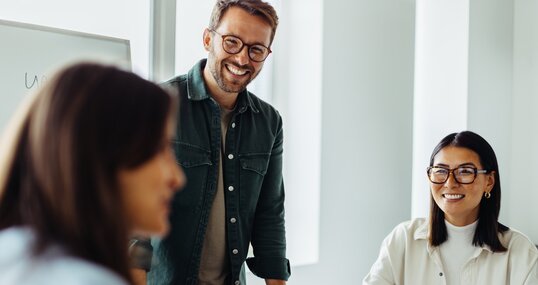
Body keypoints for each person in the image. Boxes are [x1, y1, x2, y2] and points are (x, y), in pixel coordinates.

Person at [129, 1, 291, 284]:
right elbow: (133, 226)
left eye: (256, 50)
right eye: (232, 42)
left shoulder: (269, 123)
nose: (242, 59)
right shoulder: (158, 105)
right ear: (208, 39)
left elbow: (270, 215)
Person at [0, 62, 185, 285]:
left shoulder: (13, 252)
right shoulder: (87, 279)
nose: (177, 178)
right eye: (160, 150)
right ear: (102, 157)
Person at [363, 131, 538, 284]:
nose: (450, 183)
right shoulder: (403, 240)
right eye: (440, 171)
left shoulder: (520, 251)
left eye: (465, 172)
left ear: (489, 181)